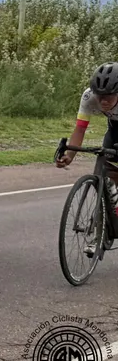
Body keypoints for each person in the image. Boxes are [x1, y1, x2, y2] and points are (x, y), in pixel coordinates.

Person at [56, 63, 118, 253]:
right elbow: (80, 128)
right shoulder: (89, 96)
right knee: (105, 175)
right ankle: (102, 232)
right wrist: (69, 155)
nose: (103, 101)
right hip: (115, 129)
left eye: (108, 96)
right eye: (100, 96)